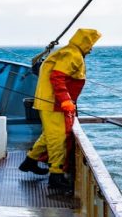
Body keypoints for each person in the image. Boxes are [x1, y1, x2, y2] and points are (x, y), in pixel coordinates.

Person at [19, 28, 101, 190]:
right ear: (84, 42)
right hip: (53, 103)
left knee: (49, 134)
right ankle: (56, 176)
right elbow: (57, 77)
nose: (91, 48)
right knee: (58, 138)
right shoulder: (72, 55)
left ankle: (30, 161)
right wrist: (65, 100)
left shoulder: (68, 51)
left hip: (49, 102)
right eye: (90, 44)